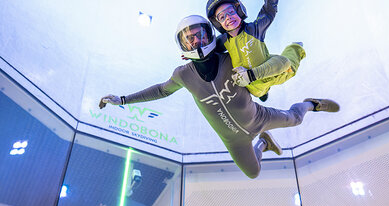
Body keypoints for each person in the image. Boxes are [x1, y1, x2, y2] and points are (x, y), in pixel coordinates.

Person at [99, 15, 339, 179]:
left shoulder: (231, 58)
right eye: (188, 38)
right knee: (253, 173)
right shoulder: (183, 74)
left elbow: (249, 44)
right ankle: (264, 142)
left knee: (295, 118)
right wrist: (122, 99)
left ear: (210, 34)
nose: (195, 40)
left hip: (259, 117)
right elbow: (161, 90)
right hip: (234, 141)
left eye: (199, 34)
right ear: (182, 46)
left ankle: (310, 104)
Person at [206, 0, 306, 102]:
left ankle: (295, 47)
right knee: (259, 93)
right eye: (222, 17)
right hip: (253, 87)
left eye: (231, 11)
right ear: (218, 23)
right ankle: (263, 93)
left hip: (271, 74)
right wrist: (194, 51)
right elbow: (210, 49)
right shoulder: (223, 40)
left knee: (287, 64)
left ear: (239, 10)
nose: (228, 17)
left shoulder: (254, 30)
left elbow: (268, 13)